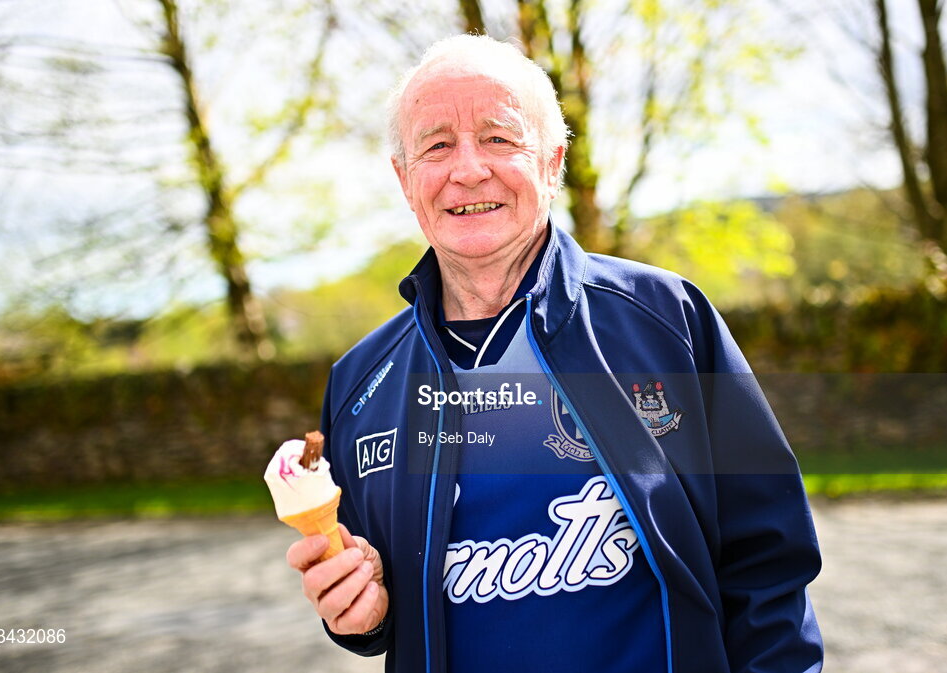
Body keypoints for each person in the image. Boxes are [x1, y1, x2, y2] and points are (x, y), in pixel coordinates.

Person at [287, 34, 823, 673]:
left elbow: (768, 566)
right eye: (437, 145)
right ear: (405, 181)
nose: (467, 169)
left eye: (499, 138)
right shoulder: (358, 389)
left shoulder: (666, 321)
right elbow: (382, 605)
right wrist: (361, 616)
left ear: (552, 162)